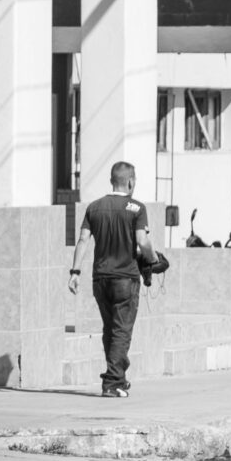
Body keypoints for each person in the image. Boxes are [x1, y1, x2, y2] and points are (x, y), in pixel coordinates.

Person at [69, 162, 156, 398]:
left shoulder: (94, 208)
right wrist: (153, 259)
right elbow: (142, 240)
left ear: (111, 181)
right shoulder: (137, 208)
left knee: (110, 329)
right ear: (130, 181)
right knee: (121, 330)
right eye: (134, 181)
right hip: (125, 278)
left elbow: (83, 240)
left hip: (100, 280)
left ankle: (117, 377)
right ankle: (113, 382)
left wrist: (75, 272)